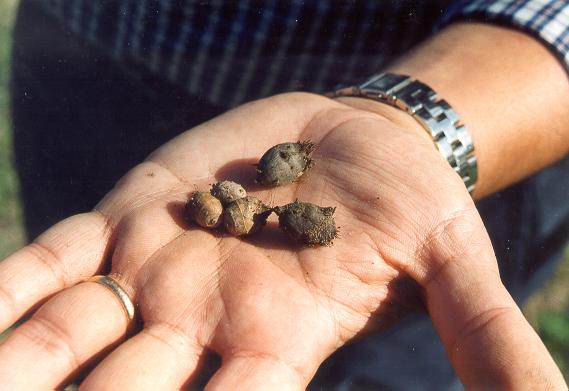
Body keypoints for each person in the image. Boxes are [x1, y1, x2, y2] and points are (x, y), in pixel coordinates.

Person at [0, 0, 568, 389]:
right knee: (105, 305)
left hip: (466, 102)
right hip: (89, 55)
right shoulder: (238, 198)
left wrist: (405, 123)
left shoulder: (273, 196)